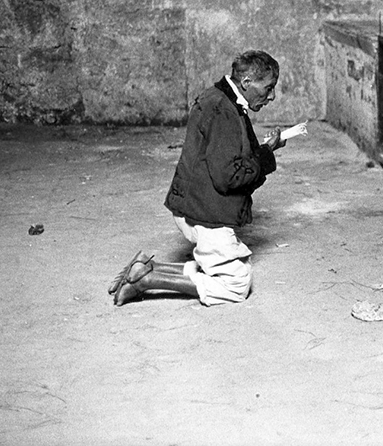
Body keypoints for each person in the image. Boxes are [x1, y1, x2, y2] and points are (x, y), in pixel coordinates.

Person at [108, 50, 305, 306]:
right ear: (246, 83)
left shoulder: (220, 97)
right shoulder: (224, 112)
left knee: (228, 266)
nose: (272, 96)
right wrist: (265, 160)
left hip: (194, 201)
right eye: (268, 88)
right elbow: (229, 177)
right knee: (235, 284)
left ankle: (145, 267)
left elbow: (227, 156)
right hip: (204, 210)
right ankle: (147, 280)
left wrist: (266, 150)